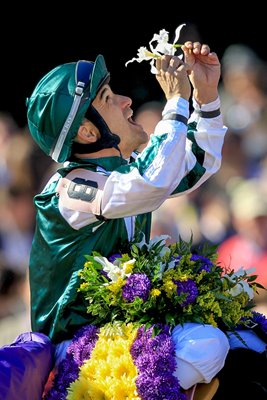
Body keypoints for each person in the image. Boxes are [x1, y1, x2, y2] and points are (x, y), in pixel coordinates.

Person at [2, 41, 229, 399]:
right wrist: (176, 102)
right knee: (209, 343)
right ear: (88, 133)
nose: (126, 101)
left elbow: (194, 164)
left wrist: (206, 97)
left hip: (123, 337)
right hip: (75, 357)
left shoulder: (119, 174)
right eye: (108, 97)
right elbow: (153, 182)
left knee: (243, 341)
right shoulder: (71, 187)